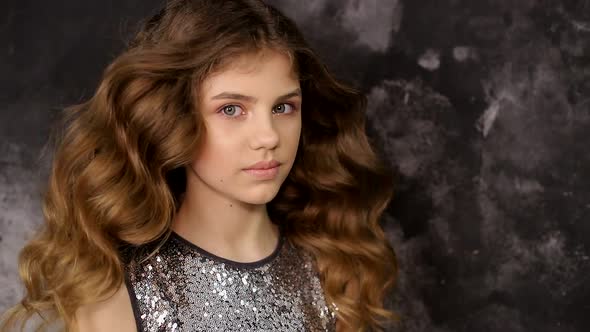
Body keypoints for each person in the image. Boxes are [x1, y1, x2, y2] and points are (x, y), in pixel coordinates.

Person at [0, 0, 398, 331]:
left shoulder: (331, 268)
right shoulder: (117, 297)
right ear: (172, 117)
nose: (269, 136)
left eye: (283, 107)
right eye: (231, 109)